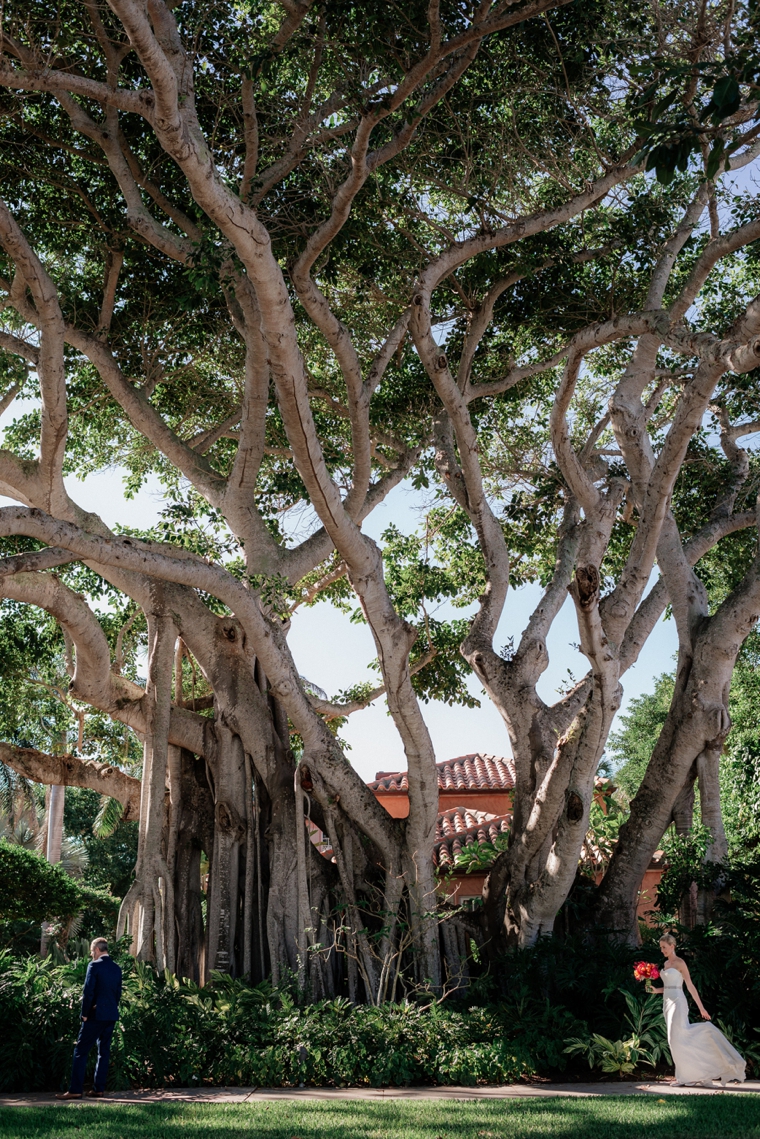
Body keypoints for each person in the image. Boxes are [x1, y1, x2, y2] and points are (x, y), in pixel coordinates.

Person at [649, 932, 745, 1087]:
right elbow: (668, 987)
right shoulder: (665, 965)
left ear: (672, 946)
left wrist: (702, 1009)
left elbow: (690, 986)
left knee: (678, 1037)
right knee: (675, 1040)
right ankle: (686, 1077)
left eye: (664, 947)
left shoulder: (680, 963)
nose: (662, 950)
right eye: (661, 948)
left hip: (678, 1003)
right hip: (667, 1003)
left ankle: (699, 1074)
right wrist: (655, 990)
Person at [56, 938, 123, 1100]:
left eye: (92, 951)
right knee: (103, 1052)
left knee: (80, 1051)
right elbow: (117, 993)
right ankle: (98, 1089)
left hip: (95, 1015)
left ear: (98, 950)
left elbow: (88, 992)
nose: (91, 954)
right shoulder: (116, 968)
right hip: (111, 1015)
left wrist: (84, 1013)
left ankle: (75, 1089)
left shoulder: (94, 965)